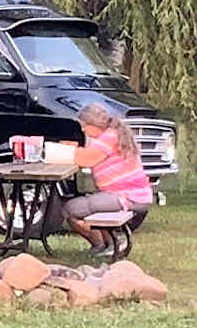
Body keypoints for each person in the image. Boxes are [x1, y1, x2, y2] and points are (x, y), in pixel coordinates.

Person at [58, 99, 157, 253]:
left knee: (71, 208)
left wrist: (65, 151)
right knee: (86, 205)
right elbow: (91, 154)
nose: (83, 130)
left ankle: (111, 243)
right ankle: (103, 245)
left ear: (93, 124)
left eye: (84, 126)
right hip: (132, 195)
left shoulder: (108, 138)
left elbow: (86, 159)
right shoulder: (113, 134)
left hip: (127, 197)